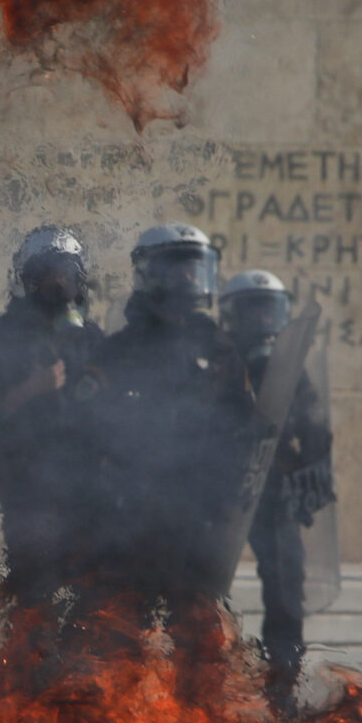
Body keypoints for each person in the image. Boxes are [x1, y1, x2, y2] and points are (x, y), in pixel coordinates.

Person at [68, 224, 252, 633]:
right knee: (126, 631)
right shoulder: (118, 353)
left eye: (194, 268)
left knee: (198, 634)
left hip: (198, 515)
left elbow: (244, 425)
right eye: (177, 268)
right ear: (149, 273)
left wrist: (229, 491)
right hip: (131, 518)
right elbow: (85, 428)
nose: (188, 278)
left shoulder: (219, 348)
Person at [0, 226, 105, 625]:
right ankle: (33, 674)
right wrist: (26, 391)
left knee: (92, 594)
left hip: (87, 486)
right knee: (35, 590)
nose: (58, 287)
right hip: (26, 481)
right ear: (27, 281)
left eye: (66, 277)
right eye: (47, 277)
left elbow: (118, 414)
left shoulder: (90, 339)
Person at [220, 269, 332, 698]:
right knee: (205, 589)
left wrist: (310, 473)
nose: (264, 321)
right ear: (234, 314)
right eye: (255, 311)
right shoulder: (217, 361)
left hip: (276, 490)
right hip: (222, 490)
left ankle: (281, 684)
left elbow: (316, 424)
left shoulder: (291, 368)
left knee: (286, 594)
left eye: (272, 311)